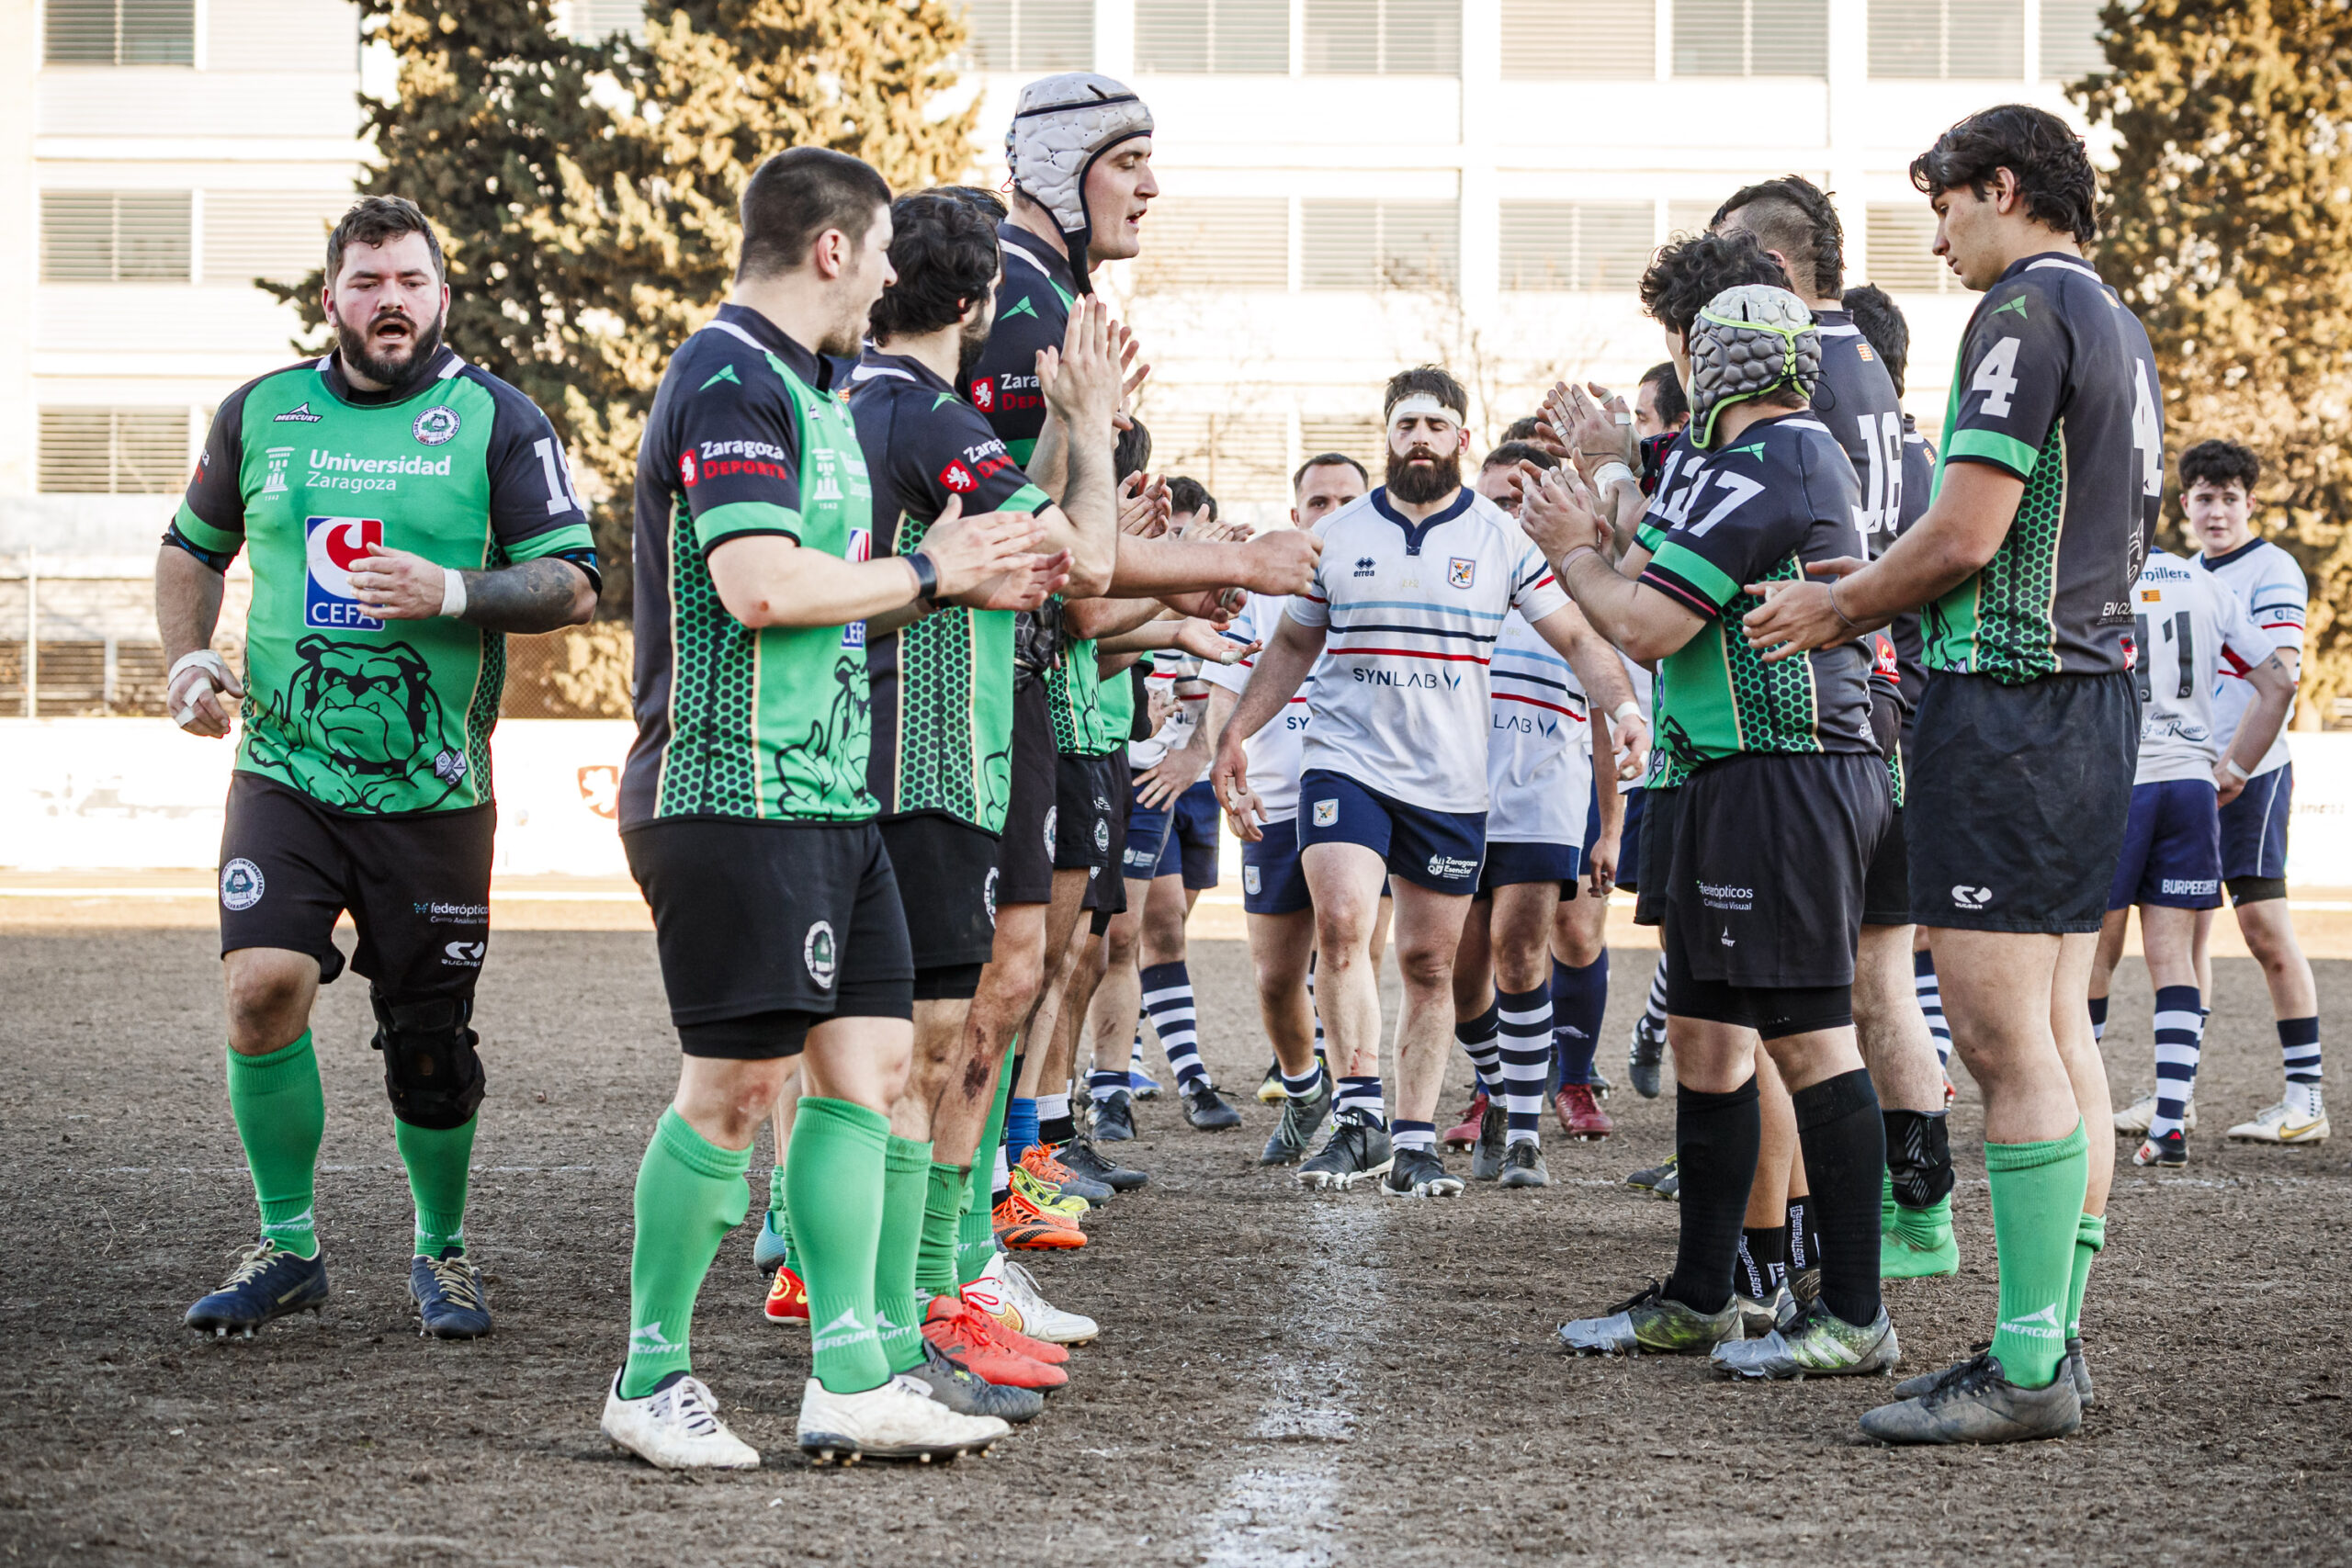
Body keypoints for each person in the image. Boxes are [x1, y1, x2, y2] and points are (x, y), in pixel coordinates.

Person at [603, 148, 1049, 1468]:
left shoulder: (814, 388)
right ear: (836, 251)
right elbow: (756, 584)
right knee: (736, 1088)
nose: (898, 285)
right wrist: (934, 568)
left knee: (867, 1072)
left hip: (830, 794)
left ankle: (853, 1370)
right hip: (731, 788)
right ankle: (651, 1372)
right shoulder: (729, 372)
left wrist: (954, 572)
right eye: (886, 256)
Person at [1744, 105, 2160, 1443]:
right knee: (2052, 1031)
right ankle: (2052, 1338)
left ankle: (2031, 1366)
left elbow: (1968, 530)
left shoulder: (2025, 312)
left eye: (1944, 206)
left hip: (2016, 701)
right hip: (2086, 702)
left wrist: (1842, 606)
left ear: (2003, 188)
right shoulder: (2111, 314)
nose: (1934, 237)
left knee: (1996, 1035)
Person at [160, 196, 601, 1344]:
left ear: (440, 295)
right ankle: (288, 1246)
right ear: (332, 300)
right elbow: (189, 547)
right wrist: (190, 656)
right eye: (367, 282)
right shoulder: (262, 412)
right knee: (261, 986)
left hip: (435, 793)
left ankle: (441, 1252)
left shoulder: (499, 421)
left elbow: (570, 582)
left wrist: (452, 590)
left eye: (410, 281)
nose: (390, 301)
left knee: (429, 1043)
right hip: (283, 769)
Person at [1532, 276, 1895, 1382]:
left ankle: (1854, 1317)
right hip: (1716, 777)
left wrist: (1565, 546)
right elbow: (1660, 543)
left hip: (1782, 776)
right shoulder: (1746, 462)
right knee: (1702, 1034)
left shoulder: (1775, 459)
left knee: (1807, 1038)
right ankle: (1705, 1295)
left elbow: (1641, 615)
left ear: (1713, 362)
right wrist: (1608, 479)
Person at [1211, 366, 1645, 1200]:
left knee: (1428, 962)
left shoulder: (1502, 539)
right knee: (1341, 924)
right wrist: (1236, 733)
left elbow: (1583, 644)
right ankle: (1357, 1116)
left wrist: (1622, 704)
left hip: (1451, 780)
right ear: (1388, 435)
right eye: (1405, 423)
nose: (1419, 437)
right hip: (1347, 760)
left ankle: (1412, 1137)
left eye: (1436, 424)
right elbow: (1294, 649)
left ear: (1461, 439)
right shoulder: (1337, 537)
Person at [831, 187, 1130, 1374]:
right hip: (925, 758)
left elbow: (1020, 524)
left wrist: (1055, 434)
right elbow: (1087, 557)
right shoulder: (919, 411)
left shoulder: (865, 405)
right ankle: (908, 1311)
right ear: (975, 300)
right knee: (918, 1046)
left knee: (915, 1038)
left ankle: (929, 1288)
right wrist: (1097, 422)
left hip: (882, 751)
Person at [1715, 180, 1956, 1281]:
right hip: (1896, 690)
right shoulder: (1874, 369)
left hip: (1818, 699)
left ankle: (1805, 1232)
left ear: (1768, 265)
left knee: (1798, 997)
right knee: (1873, 979)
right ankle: (1916, 1213)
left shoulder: (1789, 377)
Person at [1448, 441, 1629, 1188]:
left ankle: (1524, 1132)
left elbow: (1599, 717)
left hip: (1542, 799)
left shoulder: (1575, 594)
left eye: (1523, 500)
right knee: (1455, 975)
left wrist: (1611, 825)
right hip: (1451, 794)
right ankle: (1502, 1086)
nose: (1510, 513)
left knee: (1522, 951)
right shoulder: (1451, 581)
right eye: (1496, 499)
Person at [1205, 455, 1388, 1166]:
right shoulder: (1263, 590)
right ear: (1295, 514)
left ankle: (1355, 1109)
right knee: (1276, 977)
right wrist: (1228, 767)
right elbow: (1227, 685)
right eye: (1318, 499)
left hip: (1362, 794)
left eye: (1347, 498)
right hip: (1277, 802)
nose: (1332, 511)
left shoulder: (1388, 584)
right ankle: (1304, 1083)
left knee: (1354, 950)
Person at [2088, 544, 2293, 1167]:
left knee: (2091, 951)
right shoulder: (2204, 582)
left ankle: (2080, 1114)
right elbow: (2278, 681)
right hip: (2189, 784)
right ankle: (2170, 1125)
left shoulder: (2094, 566)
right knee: (2173, 954)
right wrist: (2234, 769)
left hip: (2117, 780)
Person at [2175, 440, 2328, 1145]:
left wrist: (2235, 766)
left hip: (2251, 776)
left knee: (2265, 932)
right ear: (2185, 505)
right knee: (2187, 932)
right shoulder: (2179, 573)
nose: (2216, 510)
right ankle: (2177, 1095)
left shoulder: (2273, 568)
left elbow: (2283, 671)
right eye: (2204, 496)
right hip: (2193, 776)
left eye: (2229, 497)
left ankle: (2306, 1098)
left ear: (2250, 504)